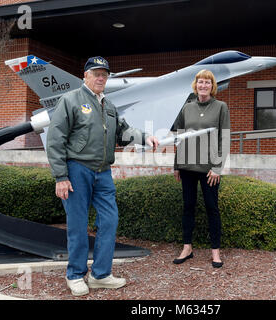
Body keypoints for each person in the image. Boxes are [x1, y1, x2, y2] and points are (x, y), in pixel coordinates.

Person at [46, 56, 158, 296]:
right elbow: (55, 140)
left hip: (103, 173)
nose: (100, 78)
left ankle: (100, 274)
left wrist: (145, 137)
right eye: (96, 73)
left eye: (104, 74)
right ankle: (75, 275)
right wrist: (60, 177)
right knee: (77, 225)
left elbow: (123, 131)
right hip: (77, 171)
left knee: (109, 221)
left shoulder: (109, 105)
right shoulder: (71, 100)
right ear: (85, 76)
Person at [171, 69, 230, 268]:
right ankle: (187, 248)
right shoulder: (186, 108)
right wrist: (177, 165)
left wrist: (217, 167)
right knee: (188, 207)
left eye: (207, 82)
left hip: (209, 169)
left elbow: (225, 138)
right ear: (195, 86)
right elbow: (179, 137)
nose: (203, 85)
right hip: (187, 166)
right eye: (200, 82)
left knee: (212, 208)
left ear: (212, 86)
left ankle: (215, 252)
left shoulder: (221, 107)